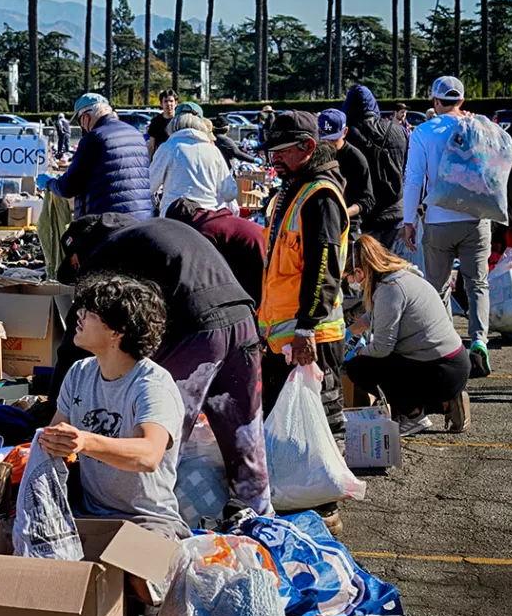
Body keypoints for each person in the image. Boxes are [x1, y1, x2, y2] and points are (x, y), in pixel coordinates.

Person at [50, 213, 273, 518]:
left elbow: (75, 344)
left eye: (74, 267)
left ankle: (160, 521)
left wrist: (52, 404)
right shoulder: (151, 231)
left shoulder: (104, 265)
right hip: (241, 316)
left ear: (78, 256)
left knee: (162, 435)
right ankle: (259, 520)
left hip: (197, 329)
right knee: (244, 432)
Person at [43, 272, 190, 547]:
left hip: (146, 520)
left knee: (136, 575)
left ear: (117, 330)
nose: (79, 315)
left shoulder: (152, 385)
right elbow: (54, 440)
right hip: (87, 515)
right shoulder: (79, 373)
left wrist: (85, 441)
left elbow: (148, 456)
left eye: (89, 311)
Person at [258, 112, 350, 465]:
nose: (273, 158)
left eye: (281, 151)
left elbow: (322, 268)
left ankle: (326, 507)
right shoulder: (294, 190)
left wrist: (305, 328)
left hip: (312, 336)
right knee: (289, 431)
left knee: (319, 430)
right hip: (286, 335)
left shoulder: (320, 197)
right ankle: (298, 497)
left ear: (308, 147)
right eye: (271, 152)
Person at [401, 76, 493, 379]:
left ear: (435, 101)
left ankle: (447, 343)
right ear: (462, 101)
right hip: (476, 217)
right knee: (477, 283)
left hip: (439, 219)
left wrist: (409, 221)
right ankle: (479, 339)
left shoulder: (424, 132)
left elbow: (414, 178)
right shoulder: (479, 126)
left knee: (437, 286)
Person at [343, 235, 471, 435]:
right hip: (450, 362)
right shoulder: (399, 277)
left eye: (349, 278)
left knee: (360, 368)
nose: (351, 283)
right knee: (381, 366)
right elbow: (374, 317)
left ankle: (414, 416)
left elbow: (382, 348)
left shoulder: (389, 290)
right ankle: (446, 404)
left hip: (442, 369)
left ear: (359, 272)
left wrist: (357, 353)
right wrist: (348, 332)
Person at [38, 93, 152, 220]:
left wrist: (50, 183)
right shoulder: (136, 135)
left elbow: (68, 187)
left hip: (109, 222)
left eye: (79, 121)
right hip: (142, 218)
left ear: (85, 117)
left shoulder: (94, 138)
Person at [165, 197, 267, 308]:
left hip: (259, 258)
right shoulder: (212, 220)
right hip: (265, 248)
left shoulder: (203, 232)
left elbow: (204, 276)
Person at [342, 85, 408, 250]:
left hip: (363, 216)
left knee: (364, 271)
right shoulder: (398, 131)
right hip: (395, 212)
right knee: (392, 270)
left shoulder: (347, 135)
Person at [150, 103, 237, 217]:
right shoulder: (213, 151)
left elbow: (150, 185)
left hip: (173, 218)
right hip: (205, 218)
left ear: (174, 123)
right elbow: (229, 193)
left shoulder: (168, 148)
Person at [319, 108, 374, 240]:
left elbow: (367, 200)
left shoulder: (355, 158)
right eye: (323, 139)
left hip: (347, 229)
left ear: (345, 132)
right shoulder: (316, 153)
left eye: (333, 139)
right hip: (319, 226)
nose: (328, 144)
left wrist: (343, 213)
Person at [147, 89, 179, 156]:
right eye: (166, 101)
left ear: (176, 103)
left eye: (171, 101)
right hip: (161, 157)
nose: (168, 104)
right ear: (161, 104)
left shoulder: (180, 120)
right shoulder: (155, 122)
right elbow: (151, 146)